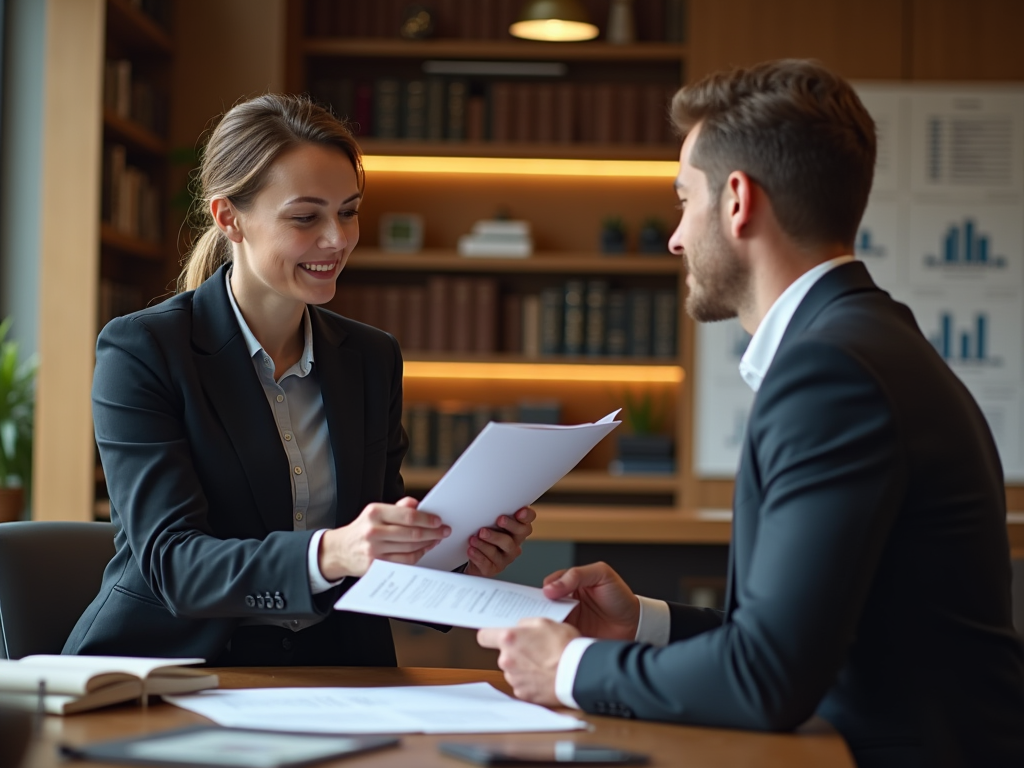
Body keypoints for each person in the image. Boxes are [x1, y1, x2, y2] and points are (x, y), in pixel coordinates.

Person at [478, 60, 1024, 767]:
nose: (674, 238)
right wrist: (640, 623)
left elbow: (765, 680)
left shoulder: (832, 373)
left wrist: (569, 669)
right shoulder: (865, 339)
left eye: (683, 201)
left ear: (737, 201)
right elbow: (801, 637)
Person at [65, 94, 535, 666]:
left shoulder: (370, 357)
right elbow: (174, 565)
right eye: (306, 217)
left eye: (349, 211)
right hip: (174, 671)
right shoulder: (143, 351)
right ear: (228, 218)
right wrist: (330, 552)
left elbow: (376, 563)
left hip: (336, 671)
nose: (336, 239)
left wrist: (458, 559)